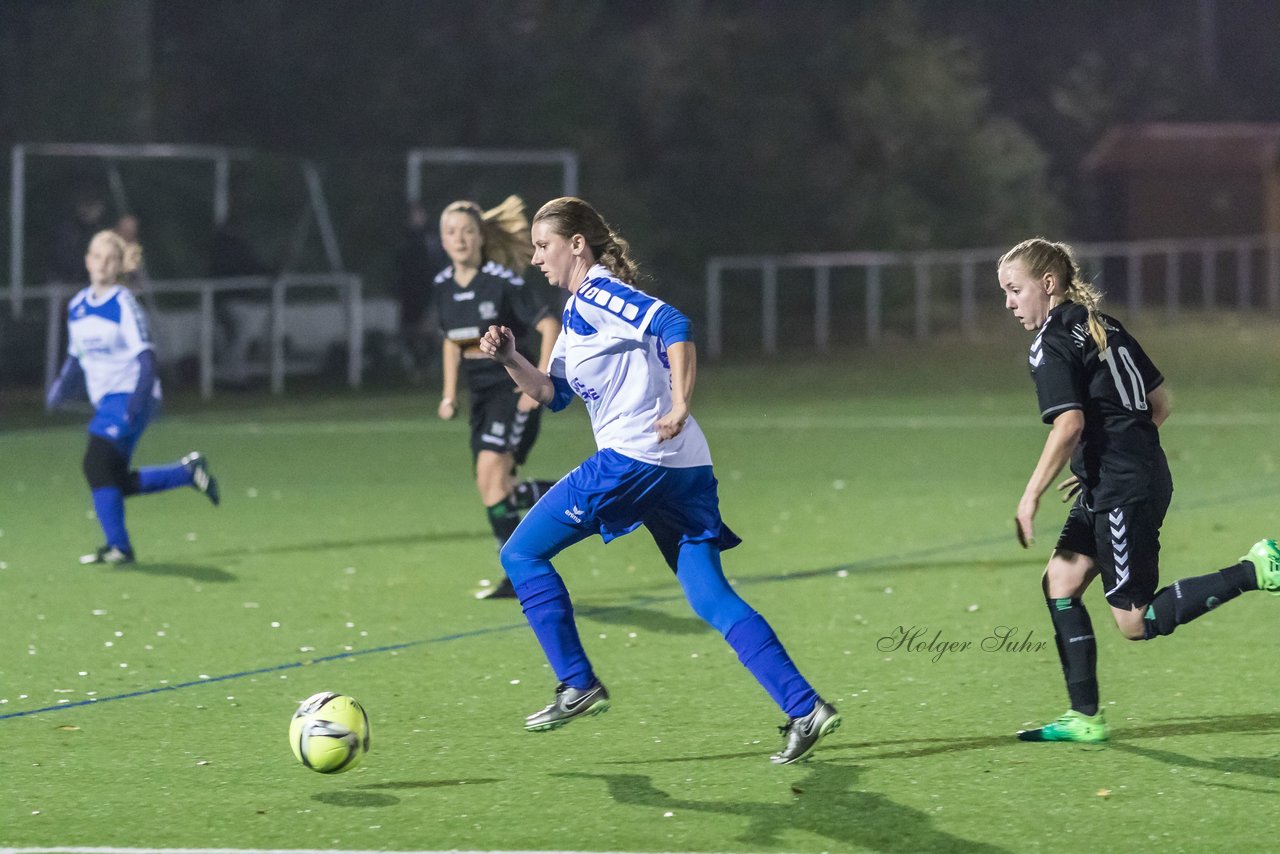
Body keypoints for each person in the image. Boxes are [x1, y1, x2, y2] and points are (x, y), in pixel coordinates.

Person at [477, 196, 841, 764]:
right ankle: (805, 706)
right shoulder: (578, 313)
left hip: (635, 459)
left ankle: (578, 684)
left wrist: (678, 402)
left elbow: (675, 324)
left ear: (577, 244)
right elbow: (552, 393)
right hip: (685, 468)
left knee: (521, 555)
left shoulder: (598, 292)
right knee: (709, 594)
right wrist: (510, 358)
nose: (536, 257)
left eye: (543, 246)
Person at [998, 237, 1279, 744]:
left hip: (1122, 488)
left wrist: (1030, 494)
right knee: (1060, 583)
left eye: (1015, 290)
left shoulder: (1051, 342)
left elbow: (1068, 424)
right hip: (1123, 478)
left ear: (1047, 284)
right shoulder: (1104, 325)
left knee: (1135, 621)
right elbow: (1160, 404)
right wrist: (1102, 462)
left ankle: (1256, 567)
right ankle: (1085, 718)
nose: (1010, 303)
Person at [46, 229, 221, 565]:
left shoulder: (124, 304)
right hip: (108, 402)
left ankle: (120, 549)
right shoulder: (78, 306)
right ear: (87, 261)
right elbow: (75, 359)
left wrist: (136, 403)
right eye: (97, 256)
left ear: (118, 267)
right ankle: (186, 474)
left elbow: (146, 359)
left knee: (95, 462)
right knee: (112, 480)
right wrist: (59, 389)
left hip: (129, 396)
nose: (102, 264)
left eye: (110, 258)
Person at [435, 196, 561, 599]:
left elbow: (549, 326)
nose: (460, 239)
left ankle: (520, 573)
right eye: (451, 232)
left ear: (481, 237)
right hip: (481, 400)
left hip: (511, 393)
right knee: (493, 488)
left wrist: (536, 384)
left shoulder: (503, 281)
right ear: (442, 239)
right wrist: (449, 395)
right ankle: (570, 495)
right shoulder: (442, 287)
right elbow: (452, 344)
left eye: (467, 231)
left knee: (493, 480)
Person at [394, 202, 449, 383]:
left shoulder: (431, 238)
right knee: (410, 332)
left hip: (429, 293)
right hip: (409, 295)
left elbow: (438, 263)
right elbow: (399, 268)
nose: (415, 219)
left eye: (418, 214)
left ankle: (430, 368)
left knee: (431, 332)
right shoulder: (403, 239)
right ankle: (416, 369)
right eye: (412, 215)